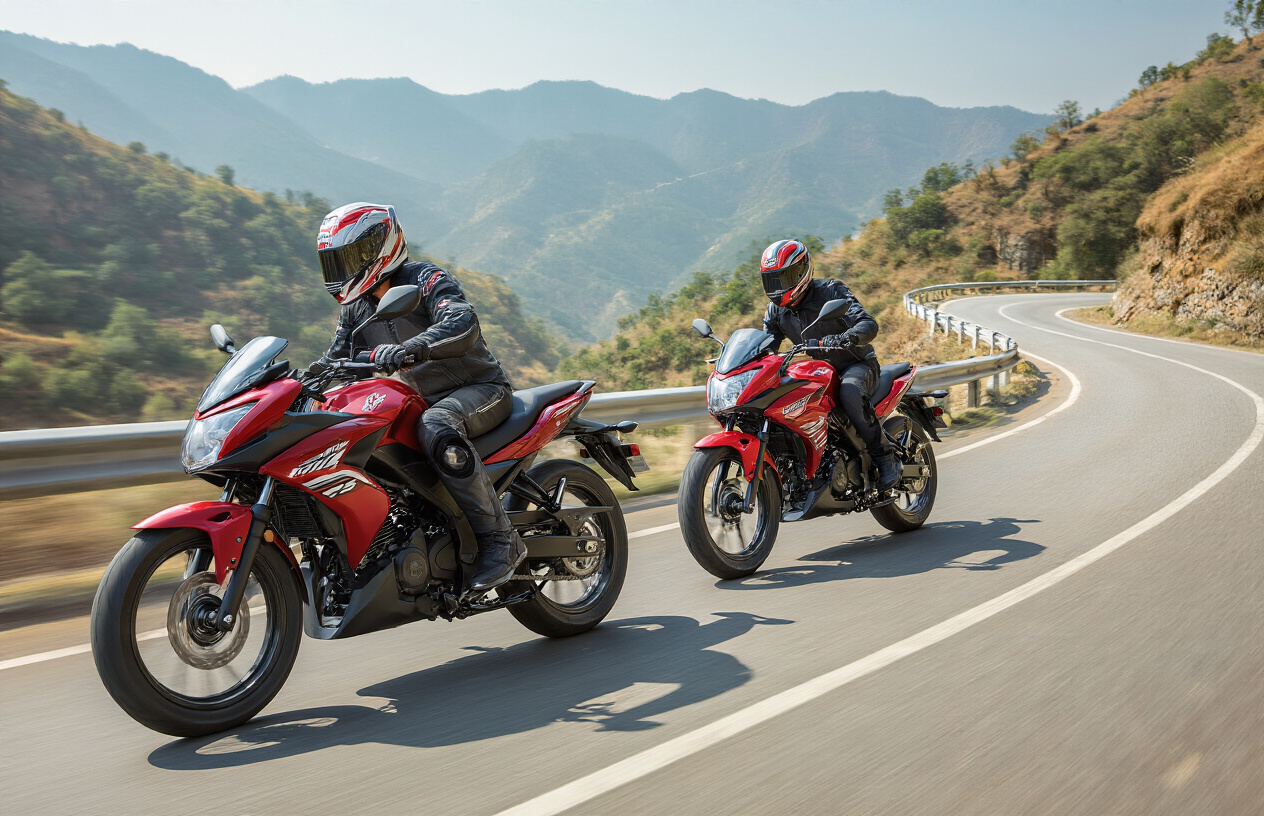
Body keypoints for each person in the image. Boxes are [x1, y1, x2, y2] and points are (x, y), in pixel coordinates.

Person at [316, 202, 525, 593]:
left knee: (435, 425)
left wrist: (415, 347)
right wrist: (300, 383)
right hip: (428, 400)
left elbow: (461, 321)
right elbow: (336, 360)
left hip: (481, 390)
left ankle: (501, 541)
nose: (342, 270)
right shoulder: (357, 308)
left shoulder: (425, 278)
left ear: (379, 247)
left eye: (349, 258)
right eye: (335, 262)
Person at [759, 238, 902, 489]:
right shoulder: (775, 311)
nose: (778, 286)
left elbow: (867, 324)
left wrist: (849, 337)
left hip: (856, 365)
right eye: (773, 280)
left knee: (849, 391)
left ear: (802, 270)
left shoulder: (830, 291)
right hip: (819, 372)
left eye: (785, 277)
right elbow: (766, 344)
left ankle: (884, 456)